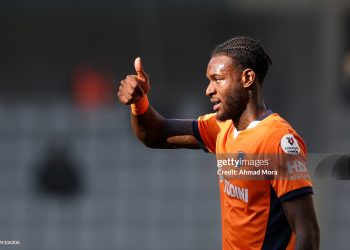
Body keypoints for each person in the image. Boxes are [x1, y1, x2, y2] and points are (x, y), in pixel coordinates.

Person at [117, 36, 320, 250]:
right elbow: (155, 134)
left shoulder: (276, 141)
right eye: (209, 80)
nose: (209, 90)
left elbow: (308, 232)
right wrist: (139, 103)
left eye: (218, 79)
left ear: (247, 78)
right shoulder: (221, 127)